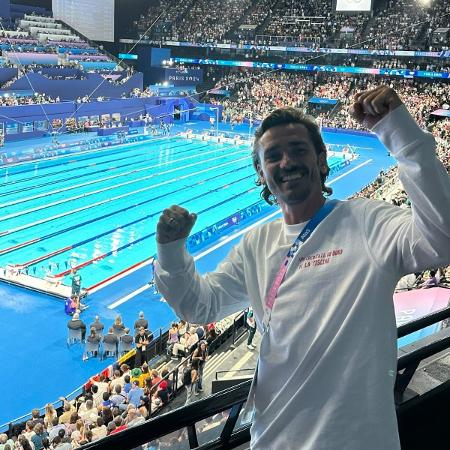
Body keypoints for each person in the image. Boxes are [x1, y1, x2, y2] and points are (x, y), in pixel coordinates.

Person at [155, 86, 450, 449]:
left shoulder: (368, 222)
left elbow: (443, 239)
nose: (286, 162)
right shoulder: (256, 244)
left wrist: (401, 134)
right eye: (273, 155)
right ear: (261, 173)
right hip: (272, 438)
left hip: (356, 439)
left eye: (298, 150)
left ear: (321, 161)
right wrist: (170, 251)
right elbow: (200, 306)